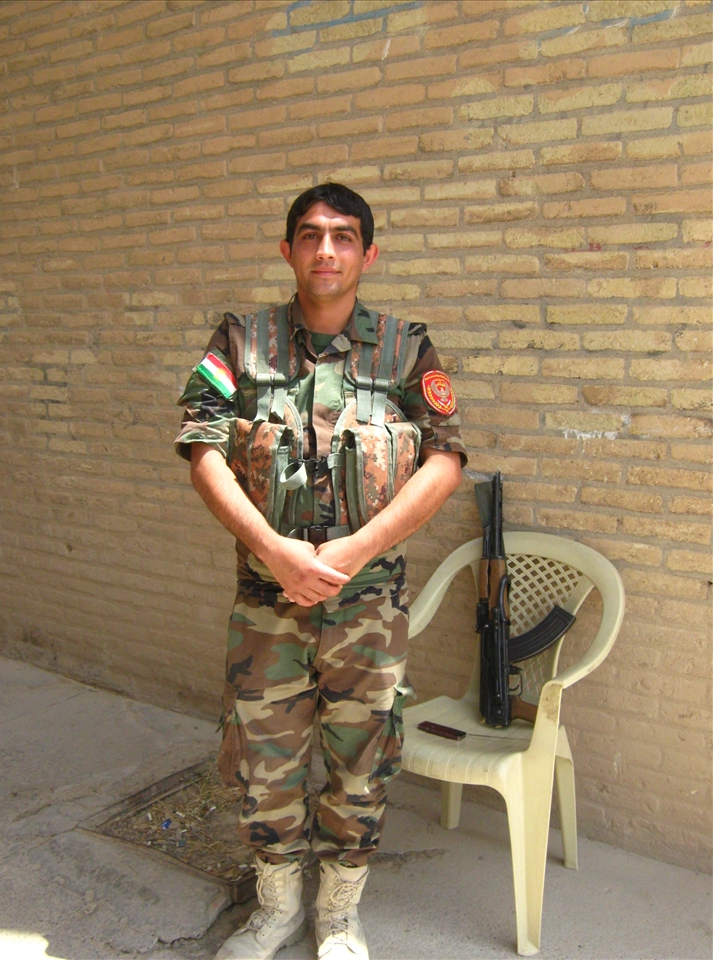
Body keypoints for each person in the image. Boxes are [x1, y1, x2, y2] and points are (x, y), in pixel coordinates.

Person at [175, 183, 467, 960]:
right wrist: (275, 550)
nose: (326, 250)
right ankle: (275, 908)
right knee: (263, 761)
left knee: (361, 760)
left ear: (368, 253)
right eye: (310, 235)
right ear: (288, 250)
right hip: (267, 602)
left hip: (367, 607)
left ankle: (338, 915)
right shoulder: (241, 339)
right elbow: (202, 450)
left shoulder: (407, 348)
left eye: (343, 236)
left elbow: (445, 461)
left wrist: (353, 550)